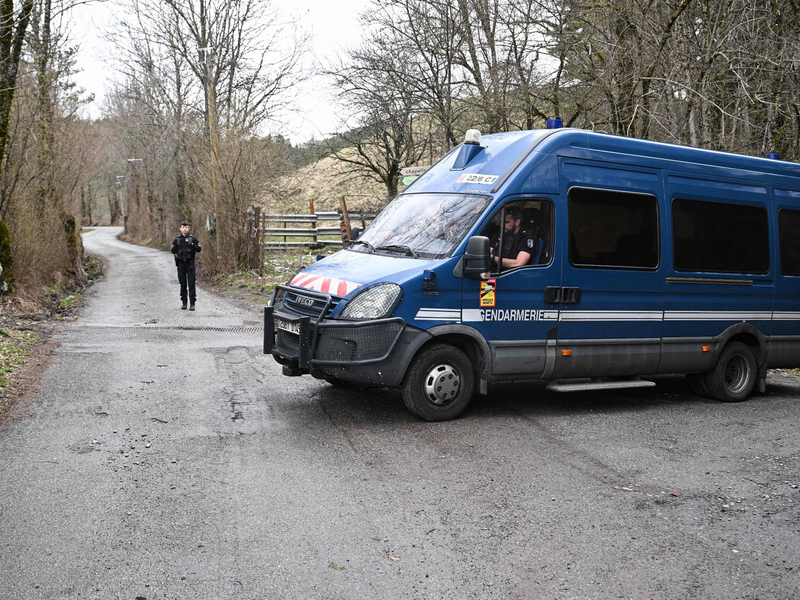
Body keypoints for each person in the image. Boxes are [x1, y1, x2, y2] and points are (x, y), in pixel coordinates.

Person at [490, 206, 536, 271]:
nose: (502, 225)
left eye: (506, 222)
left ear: (517, 222)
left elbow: (519, 263)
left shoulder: (527, 238)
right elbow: (490, 250)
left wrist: (493, 259)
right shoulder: (501, 234)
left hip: (512, 274)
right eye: (502, 222)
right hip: (495, 271)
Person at [170, 221, 202, 310]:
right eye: (183, 227)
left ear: (189, 228)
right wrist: (175, 247)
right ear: (180, 229)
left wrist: (193, 245)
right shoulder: (177, 240)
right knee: (183, 284)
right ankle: (184, 302)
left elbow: (199, 249)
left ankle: (192, 303)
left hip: (190, 264)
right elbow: (173, 250)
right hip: (181, 264)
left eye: (187, 227)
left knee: (191, 284)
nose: (185, 229)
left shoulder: (193, 239)